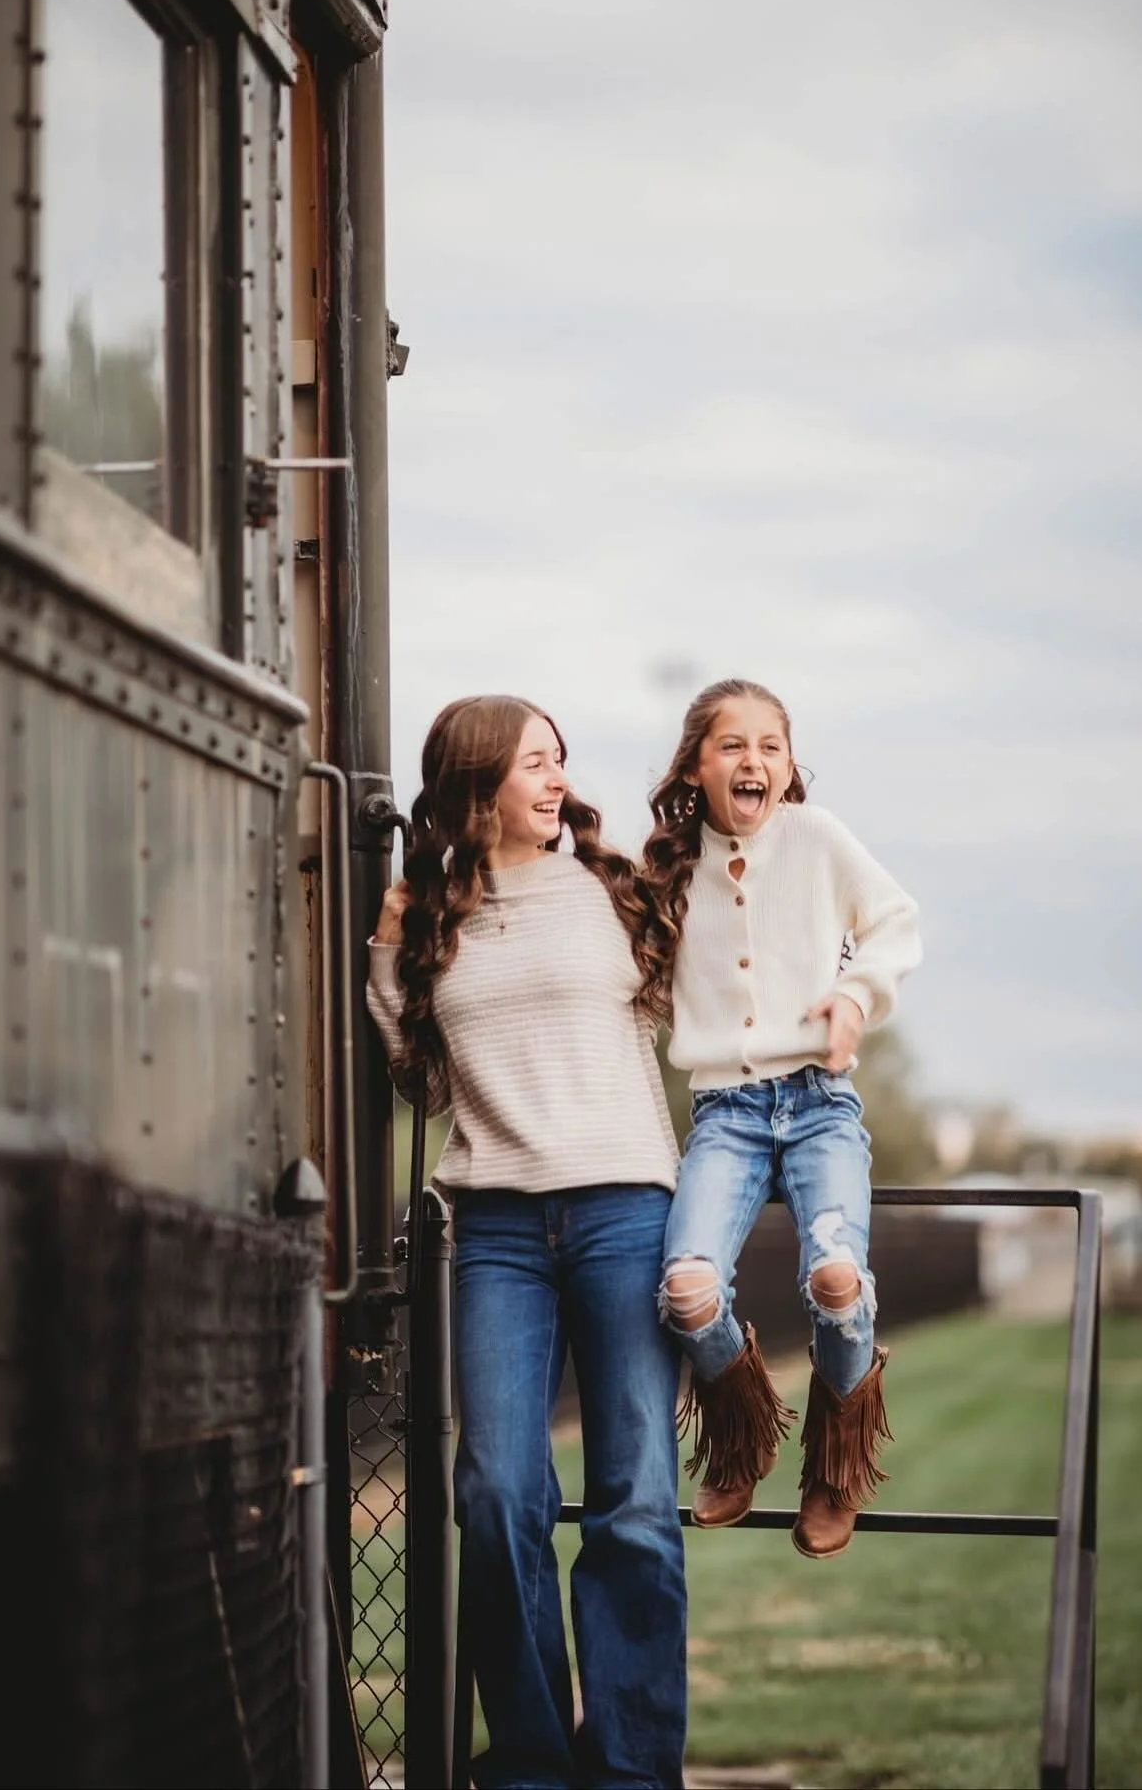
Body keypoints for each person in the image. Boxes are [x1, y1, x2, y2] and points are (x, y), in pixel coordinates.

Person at [367, 695, 686, 1790]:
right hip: (496, 1224)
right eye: (533, 764)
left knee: (634, 1500)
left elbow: (715, 1007)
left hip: (625, 1212)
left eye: (560, 761)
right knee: (498, 1492)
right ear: (477, 783)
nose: (557, 781)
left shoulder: (614, 891)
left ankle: (635, 1768)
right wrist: (385, 952)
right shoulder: (433, 916)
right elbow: (421, 1082)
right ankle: (533, 1765)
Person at [643, 677, 921, 1559]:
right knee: (687, 1292)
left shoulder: (816, 836)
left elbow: (895, 923)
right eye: (731, 745)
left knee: (837, 1281)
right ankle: (740, 1438)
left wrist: (853, 996)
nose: (752, 760)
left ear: (789, 765)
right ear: (695, 765)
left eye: (770, 746)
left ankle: (834, 1466)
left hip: (818, 1105)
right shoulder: (668, 870)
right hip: (723, 1113)